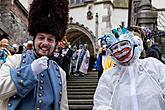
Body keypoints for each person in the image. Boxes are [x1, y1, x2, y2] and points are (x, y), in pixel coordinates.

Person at [0, 0, 69, 109]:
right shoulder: (14, 61)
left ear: (56, 43)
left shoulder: (61, 73)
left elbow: (63, 107)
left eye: (50, 39)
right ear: (34, 39)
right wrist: (30, 72)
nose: (45, 43)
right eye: (41, 38)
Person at [93, 27, 165, 110]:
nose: (120, 50)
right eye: (115, 48)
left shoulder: (153, 65)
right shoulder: (108, 76)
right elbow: (101, 103)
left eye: (123, 44)